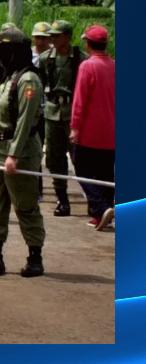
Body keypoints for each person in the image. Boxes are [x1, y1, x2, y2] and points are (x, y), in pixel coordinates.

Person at [0, 26, 45, 278]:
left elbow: (25, 121)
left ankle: (35, 257)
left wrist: (14, 155)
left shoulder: (28, 80)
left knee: (25, 205)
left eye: (0, 50)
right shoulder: (9, 76)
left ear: (11, 51)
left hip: (18, 152)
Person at [40, 20, 88, 217]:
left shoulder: (80, 58)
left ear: (68, 36)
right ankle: (62, 198)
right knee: (54, 157)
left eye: (57, 35)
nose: (53, 39)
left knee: (79, 158)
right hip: (52, 112)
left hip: (73, 113)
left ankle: (93, 199)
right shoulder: (45, 59)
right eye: (52, 35)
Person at [70, 25, 115, 231]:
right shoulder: (115, 65)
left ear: (87, 44)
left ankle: (100, 206)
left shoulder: (87, 66)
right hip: (112, 130)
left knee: (82, 169)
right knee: (106, 173)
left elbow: (80, 100)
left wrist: (75, 127)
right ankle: (103, 214)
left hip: (91, 130)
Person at [31, 22, 52, 202]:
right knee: (35, 151)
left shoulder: (54, 56)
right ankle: (37, 189)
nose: (41, 41)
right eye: (38, 37)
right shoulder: (27, 56)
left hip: (51, 111)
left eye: (44, 38)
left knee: (52, 153)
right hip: (34, 111)